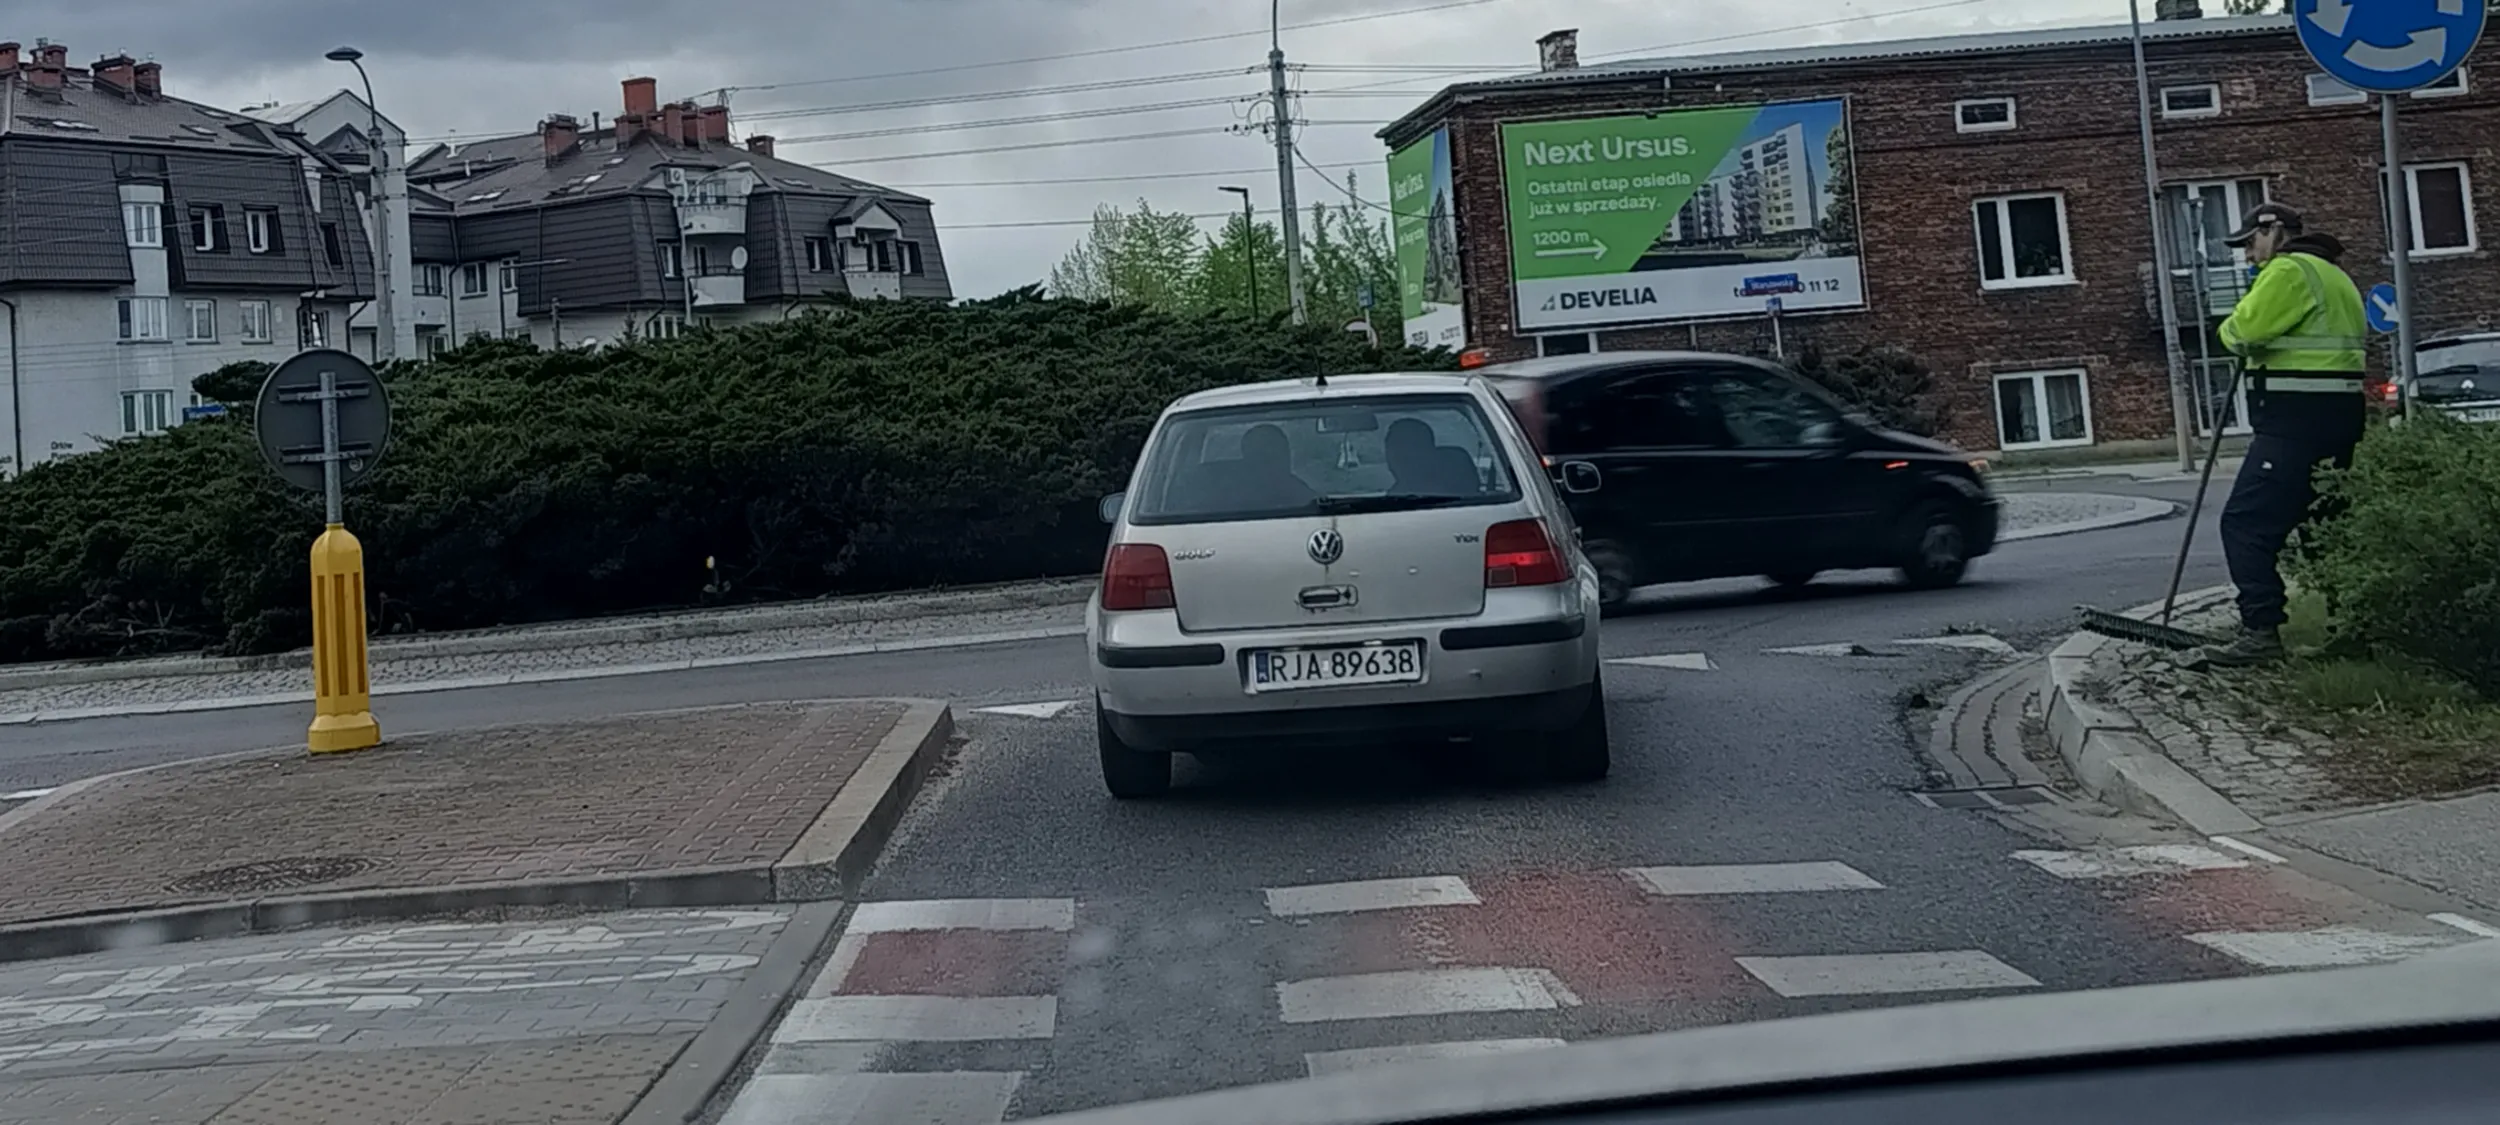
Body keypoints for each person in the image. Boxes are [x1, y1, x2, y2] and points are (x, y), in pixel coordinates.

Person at [2207, 203, 2369, 666]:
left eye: (2250, 244)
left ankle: (2260, 633)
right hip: (2338, 422)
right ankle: (2352, 628)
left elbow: (2242, 331)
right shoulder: (2336, 276)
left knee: (2244, 524)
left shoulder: (2287, 270)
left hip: (2293, 424)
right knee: (2325, 529)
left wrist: (2231, 329)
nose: (2248, 257)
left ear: (2272, 232)